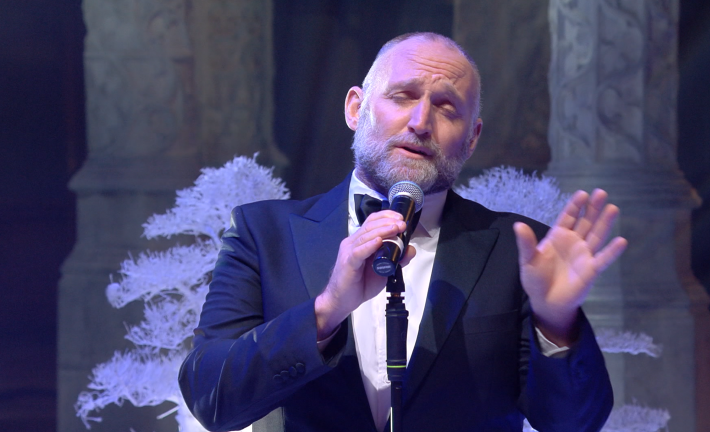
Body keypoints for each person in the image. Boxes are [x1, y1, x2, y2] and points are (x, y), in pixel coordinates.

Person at [179, 32, 626, 432]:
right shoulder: (263, 234)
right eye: (402, 96)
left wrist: (556, 324)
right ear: (356, 108)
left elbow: (574, 424)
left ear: (472, 138)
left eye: (447, 107)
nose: (421, 122)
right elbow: (211, 400)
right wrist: (325, 311)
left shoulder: (519, 250)